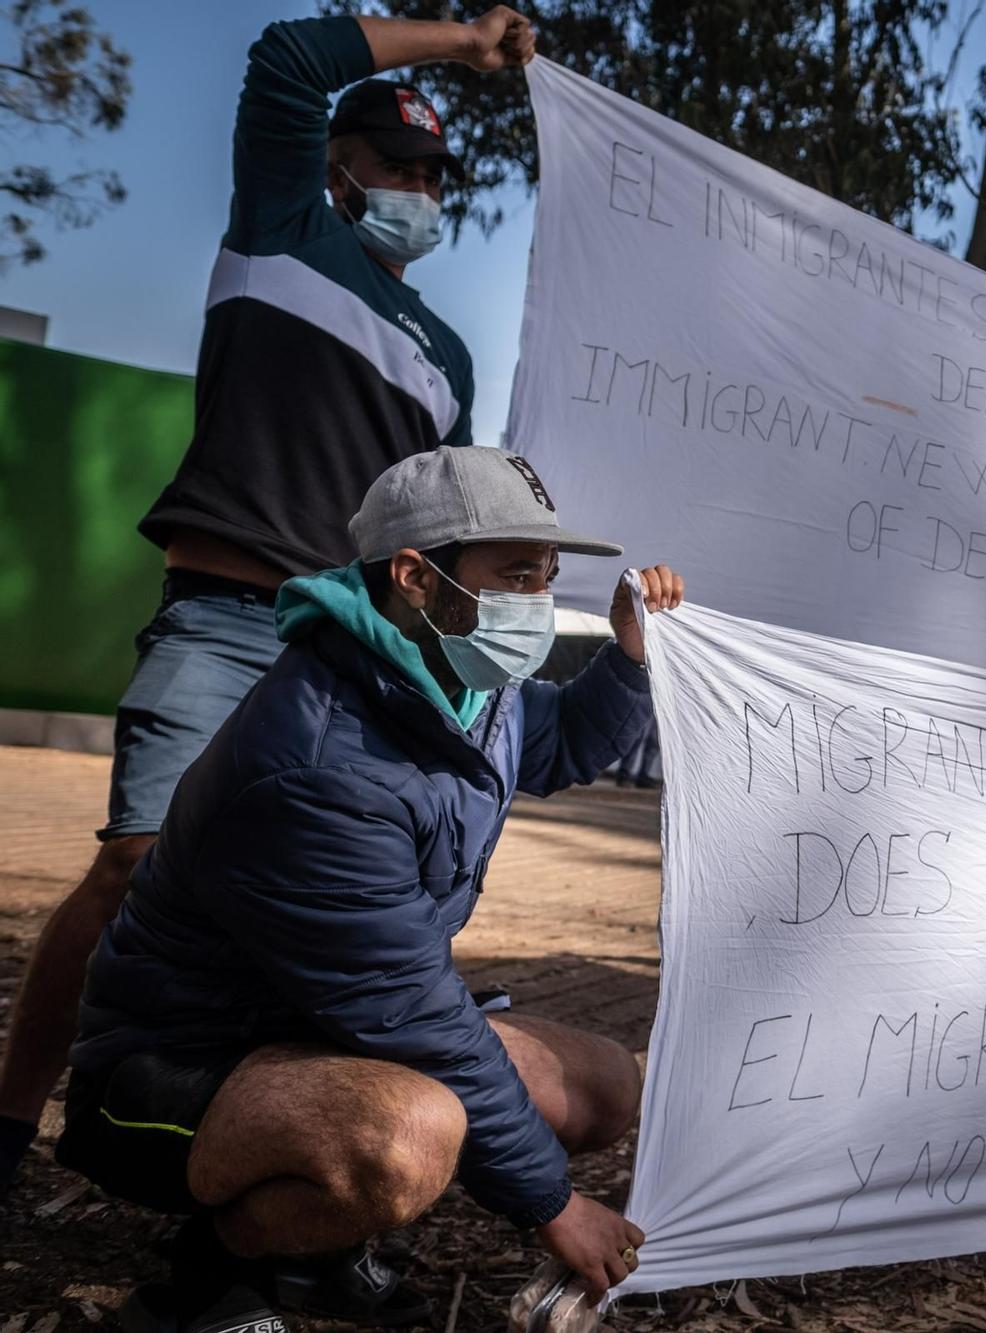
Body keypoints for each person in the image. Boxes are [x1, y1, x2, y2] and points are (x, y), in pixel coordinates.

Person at [0, 6, 537, 1194]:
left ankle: (255, 1179)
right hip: (223, 618)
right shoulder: (280, 231)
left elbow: (433, 533)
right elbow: (291, 56)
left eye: (432, 174)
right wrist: (467, 46)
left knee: (317, 924)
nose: (416, 186)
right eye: (393, 162)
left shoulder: (447, 356)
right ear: (337, 170)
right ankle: (14, 1121)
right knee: (136, 864)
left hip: (352, 667)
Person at [54, 447, 679, 1332]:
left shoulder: (467, 686)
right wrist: (554, 1205)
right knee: (407, 1137)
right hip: (173, 1069)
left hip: (328, 1028)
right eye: (513, 574)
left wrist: (627, 659)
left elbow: (563, 739)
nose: (536, 602)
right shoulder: (317, 766)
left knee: (603, 1085)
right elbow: (420, 1020)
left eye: (545, 575)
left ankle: (316, 1253)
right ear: (415, 577)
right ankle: (204, 1281)